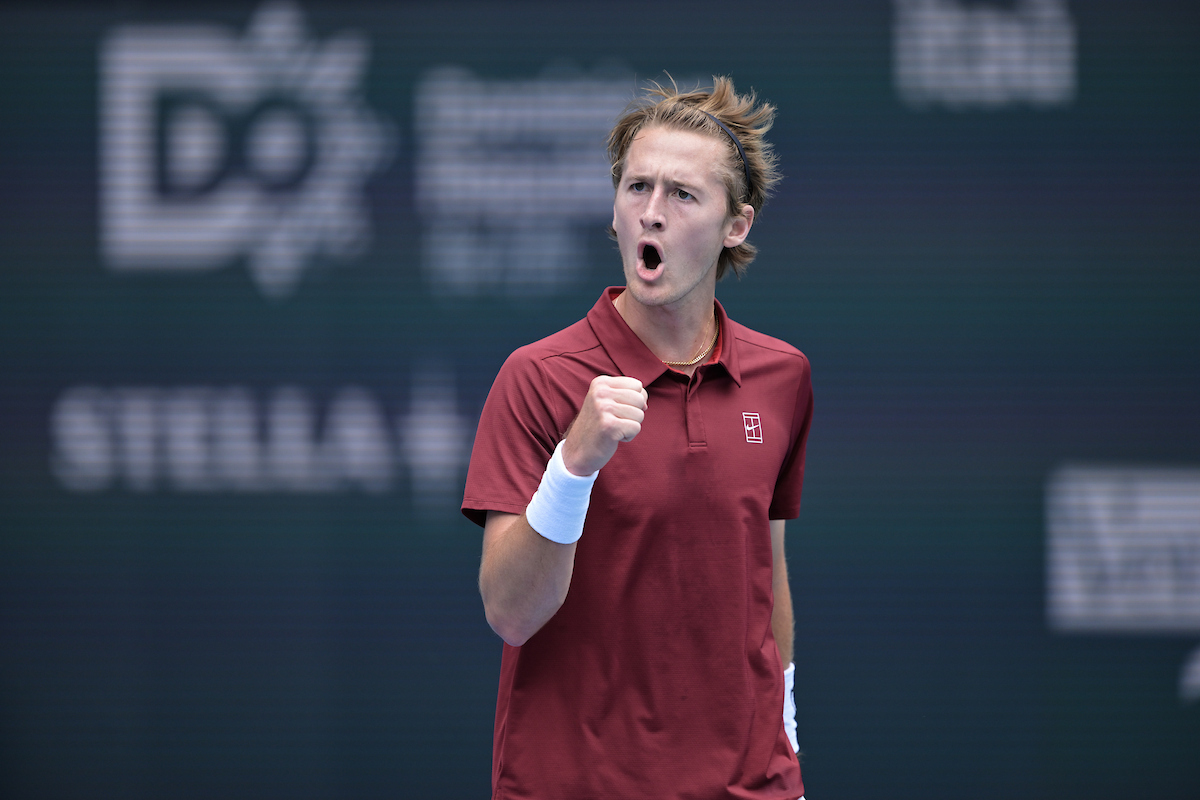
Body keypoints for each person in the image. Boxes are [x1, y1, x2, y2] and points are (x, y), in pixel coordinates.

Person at [462, 75, 812, 799]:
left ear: (735, 226)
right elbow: (511, 613)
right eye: (635, 189)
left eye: (683, 195)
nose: (652, 214)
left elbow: (764, 575)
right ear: (615, 215)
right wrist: (574, 464)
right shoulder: (537, 378)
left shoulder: (783, 377)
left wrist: (786, 735)